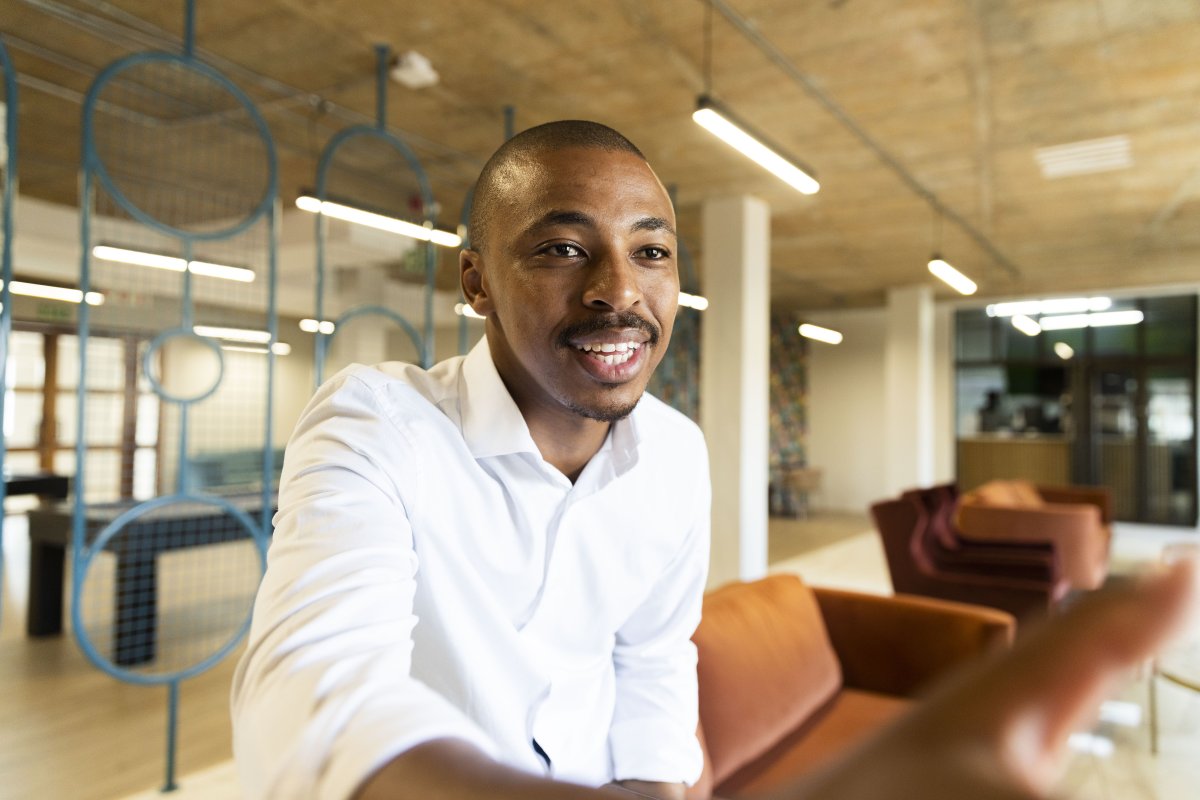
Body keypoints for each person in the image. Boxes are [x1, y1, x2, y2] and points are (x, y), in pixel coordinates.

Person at [231, 121, 1200, 800]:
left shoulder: (676, 454)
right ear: (476, 280)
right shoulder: (375, 422)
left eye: (652, 252)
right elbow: (310, 688)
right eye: (564, 247)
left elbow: (652, 657)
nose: (620, 290)